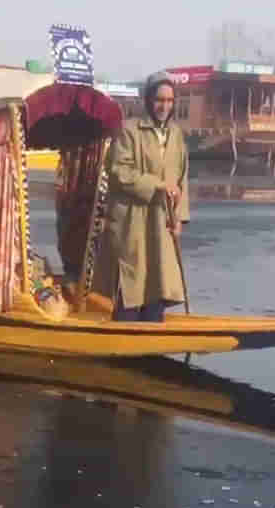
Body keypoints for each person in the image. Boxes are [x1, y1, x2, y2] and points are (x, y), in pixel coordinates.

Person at [103, 71, 190, 322]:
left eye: (170, 101)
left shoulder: (176, 134)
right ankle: (122, 336)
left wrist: (179, 219)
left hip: (163, 220)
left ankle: (151, 334)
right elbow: (119, 170)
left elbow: (182, 178)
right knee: (132, 281)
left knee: (158, 280)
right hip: (133, 220)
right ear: (148, 100)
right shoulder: (129, 130)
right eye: (159, 100)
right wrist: (158, 185)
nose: (165, 106)